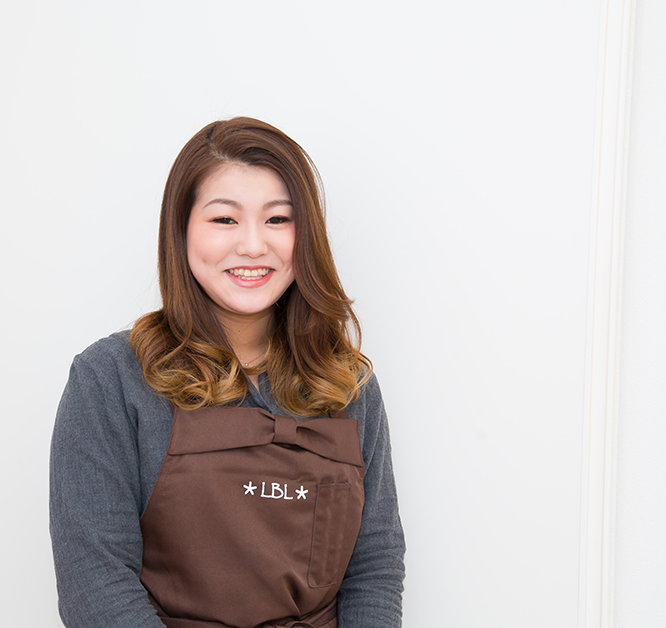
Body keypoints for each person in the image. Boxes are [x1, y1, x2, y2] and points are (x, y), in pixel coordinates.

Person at [49, 117, 405, 628]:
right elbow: (95, 586)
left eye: (277, 219)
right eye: (224, 219)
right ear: (181, 230)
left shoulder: (348, 383)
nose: (253, 246)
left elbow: (374, 566)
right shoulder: (110, 380)